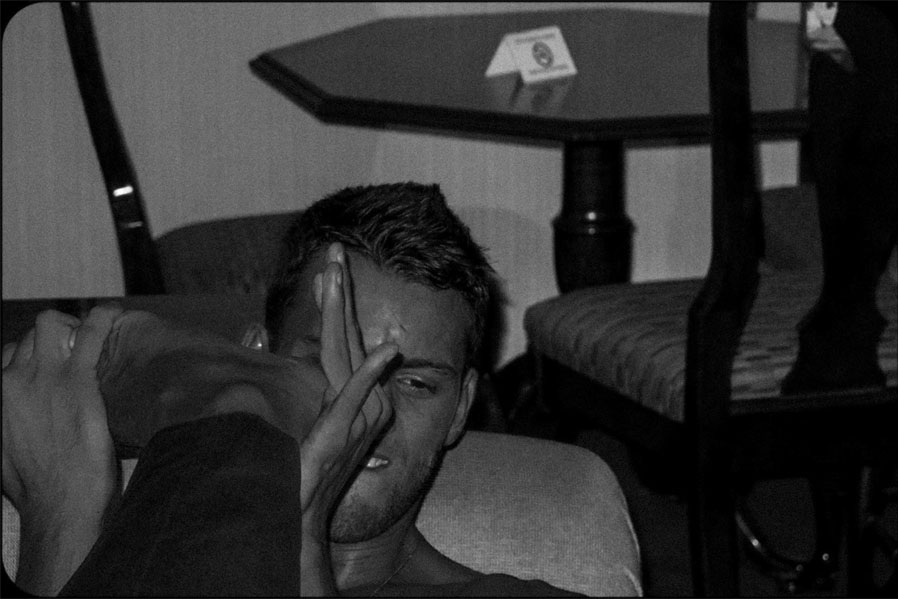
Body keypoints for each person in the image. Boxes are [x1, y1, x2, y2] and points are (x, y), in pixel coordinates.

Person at [3, 183, 598, 596]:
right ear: (259, 349)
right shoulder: (155, 536)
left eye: (416, 383)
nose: (367, 409)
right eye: (323, 362)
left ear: (461, 406)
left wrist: (305, 534)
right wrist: (59, 518)